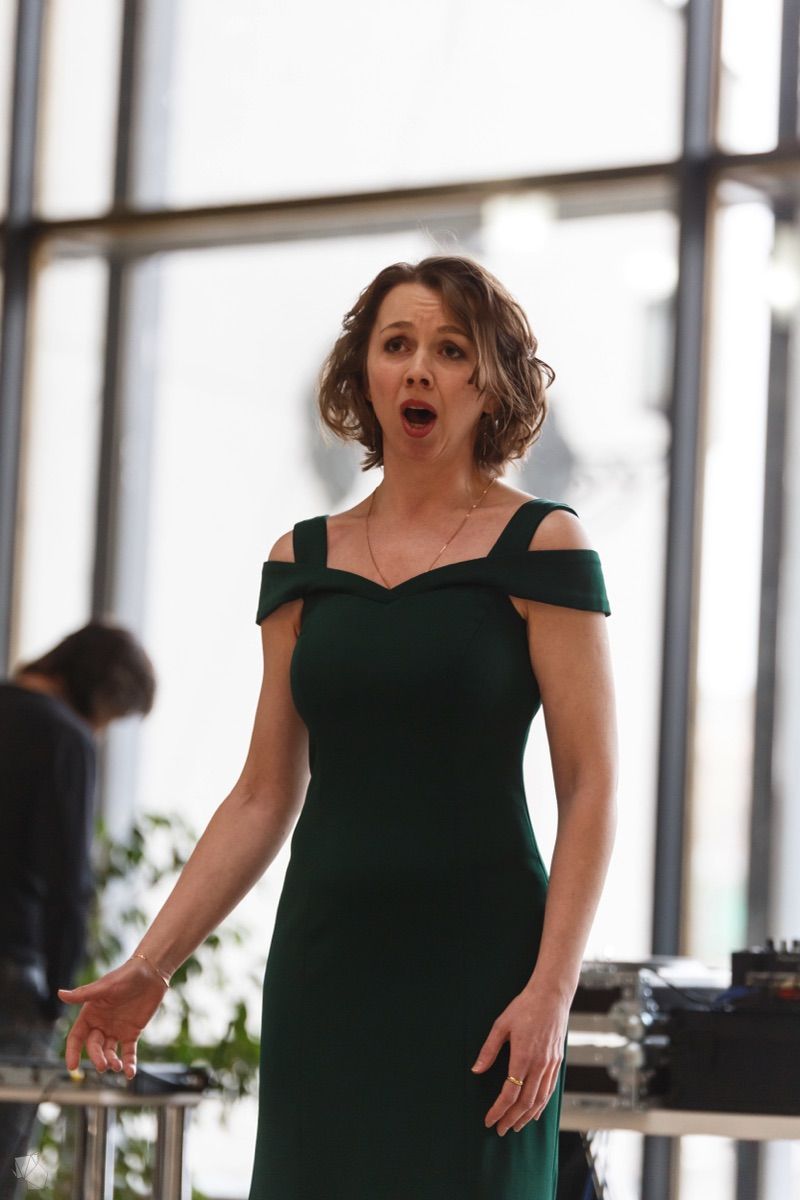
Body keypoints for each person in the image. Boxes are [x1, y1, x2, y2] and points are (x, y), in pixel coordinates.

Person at [57, 254, 618, 1200]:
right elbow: (262, 794)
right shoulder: (303, 561)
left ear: (491, 382)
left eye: (451, 349)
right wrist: (152, 965)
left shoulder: (545, 546)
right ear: (366, 373)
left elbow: (591, 785)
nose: (419, 369)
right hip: (329, 968)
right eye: (397, 345)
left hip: (485, 972)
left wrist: (553, 990)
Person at [0, 621, 156, 1197]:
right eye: (114, 715)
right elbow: (69, 886)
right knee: (10, 1159)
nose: (104, 730)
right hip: (12, 975)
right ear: (101, 690)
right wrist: (59, 997)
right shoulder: (65, 737)